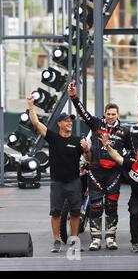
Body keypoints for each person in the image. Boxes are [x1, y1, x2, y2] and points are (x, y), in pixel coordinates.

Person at [68, 82, 133, 251]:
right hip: (96, 170)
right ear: (104, 114)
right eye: (108, 113)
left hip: (114, 172)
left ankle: (111, 237)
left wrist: (127, 162)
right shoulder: (97, 124)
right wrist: (74, 96)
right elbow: (83, 113)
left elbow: (131, 151)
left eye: (114, 114)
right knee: (96, 205)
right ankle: (95, 239)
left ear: (118, 115)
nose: (111, 116)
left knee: (111, 205)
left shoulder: (125, 131)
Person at [27, 94, 89, 253]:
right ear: (59, 123)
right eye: (66, 120)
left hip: (74, 181)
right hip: (57, 182)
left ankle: (74, 240)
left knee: (75, 212)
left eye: (71, 120)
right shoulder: (53, 137)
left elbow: (87, 158)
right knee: (55, 212)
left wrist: (86, 149)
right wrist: (31, 105)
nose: (69, 122)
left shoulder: (77, 140)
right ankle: (56, 241)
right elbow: (35, 123)